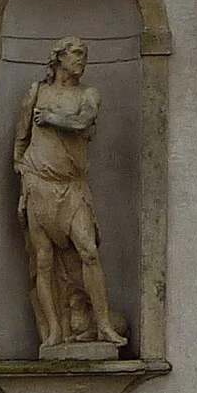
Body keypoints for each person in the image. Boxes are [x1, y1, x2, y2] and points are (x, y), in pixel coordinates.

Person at [13, 36, 124, 355]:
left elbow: (82, 121)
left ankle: (103, 325)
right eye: (76, 53)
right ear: (59, 58)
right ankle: (53, 333)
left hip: (72, 187)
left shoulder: (88, 95)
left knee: (89, 250)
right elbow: (20, 140)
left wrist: (50, 119)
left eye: (84, 55)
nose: (81, 60)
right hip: (39, 185)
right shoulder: (37, 93)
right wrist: (24, 176)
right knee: (44, 260)